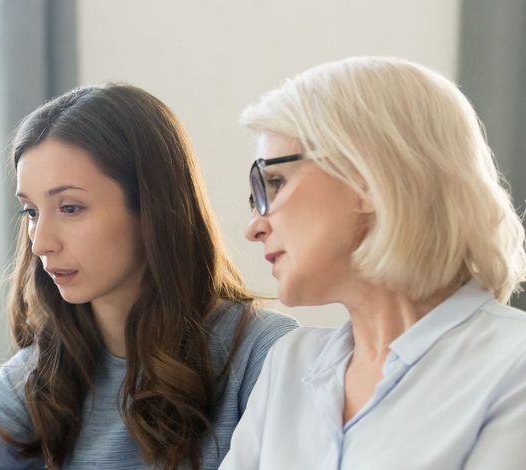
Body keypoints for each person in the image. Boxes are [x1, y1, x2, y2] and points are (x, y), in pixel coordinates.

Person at [0, 83, 298, 470]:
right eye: (31, 212)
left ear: (152, 207)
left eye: (70, 208)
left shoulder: (266, 354)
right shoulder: (35, 376)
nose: (40, 243)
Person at [221, 56, 526, 469]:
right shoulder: (288, 364)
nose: (254, 227)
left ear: (365, 177)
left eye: (275, 182)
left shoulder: (515, 366)